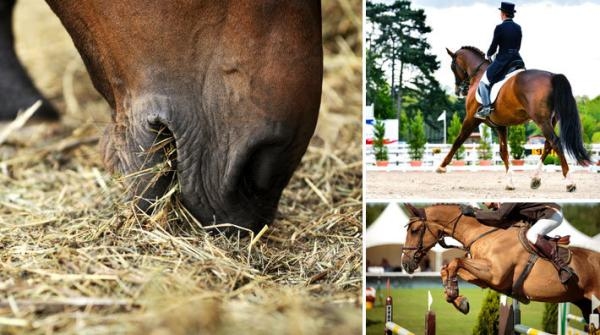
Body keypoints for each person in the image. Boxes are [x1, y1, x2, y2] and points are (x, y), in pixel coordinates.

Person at [462, 202, 574, 283]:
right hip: (543, 216)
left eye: (484, 200)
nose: (483, 202)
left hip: (552, 214)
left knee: (532, 235)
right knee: (529, 235)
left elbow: (499, 216)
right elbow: (501, 220)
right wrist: (476, 213)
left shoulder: (507, 199)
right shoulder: (504, 206)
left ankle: (563, 267)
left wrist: (475, 212)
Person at [475, 2, 525, 120]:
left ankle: (486, 108)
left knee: (483, 81)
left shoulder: (500, 28)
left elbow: (494, 45)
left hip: (503, 60)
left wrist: (489, 54)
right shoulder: (518, 28)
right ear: (512, 14)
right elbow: (518, 46)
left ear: (503, 13)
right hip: (517, 60)